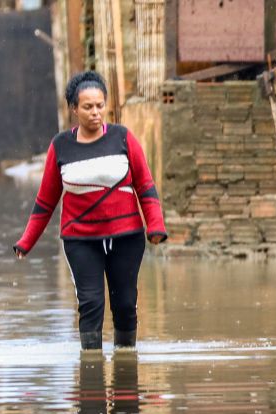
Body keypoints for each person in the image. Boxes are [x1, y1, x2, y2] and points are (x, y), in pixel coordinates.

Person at [13, 70, 168, 351]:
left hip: (126, 237)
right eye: (87, 107)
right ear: (74, 109)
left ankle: (125, 366)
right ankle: (92, 374)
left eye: (100, 105)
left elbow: (145, 186)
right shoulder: (60, 146)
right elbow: (45, 202)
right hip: (80, 239)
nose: (95, 113)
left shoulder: (123, 138)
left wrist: (156, 226)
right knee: (91, 303)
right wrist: (26, 241)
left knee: (124, 303)